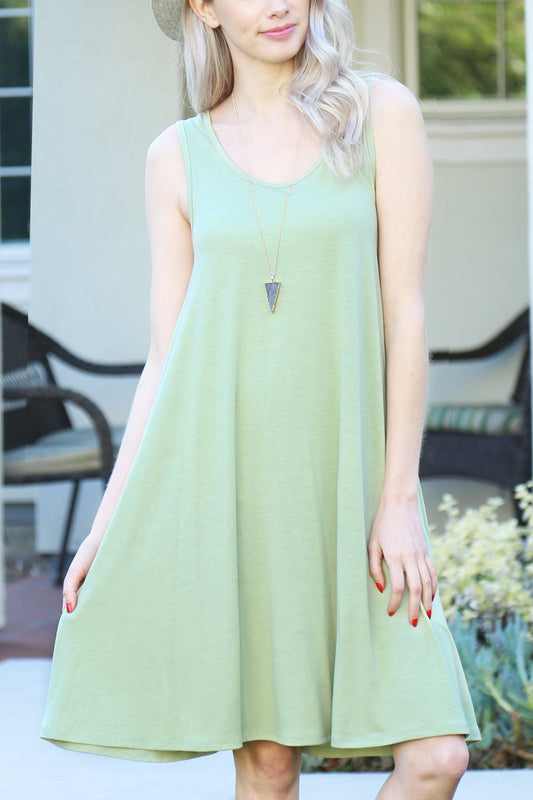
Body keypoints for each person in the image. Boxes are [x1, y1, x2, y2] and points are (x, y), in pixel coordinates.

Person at [40, 0, 481, 797]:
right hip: (233, 491)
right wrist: (107, 523)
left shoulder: (380, 114)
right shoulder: (176, 157)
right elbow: (165, 358)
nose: (277, 4)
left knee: (436, 756)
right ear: (203, 9)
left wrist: (396, 499)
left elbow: (405, 316)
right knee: (270, 768)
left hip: (355, 491)